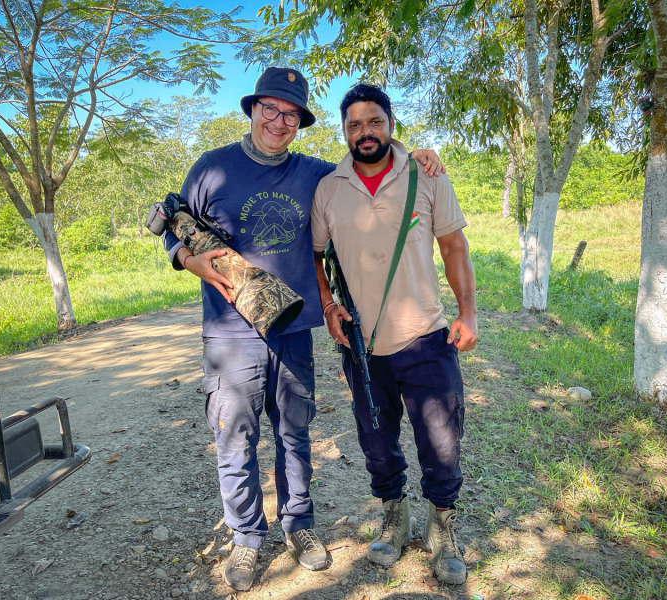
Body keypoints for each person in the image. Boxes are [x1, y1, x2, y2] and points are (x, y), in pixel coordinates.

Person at [162, 68, 445, 592]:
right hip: (229, 334)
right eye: (269, 108)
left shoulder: (313, 173)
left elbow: (369, 153)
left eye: (290, 113)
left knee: (295, 433)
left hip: (293, 330)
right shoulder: (211, 168)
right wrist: (185, 258)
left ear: (301, 123)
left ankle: (299, 526)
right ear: (251, 110)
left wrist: (415, 151)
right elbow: (174, 225)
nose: (278, 121)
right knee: (235, 438)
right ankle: (247, 538)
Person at [311, 83, 478, 585]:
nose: (365, 132)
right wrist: (327, 304)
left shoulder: (426, 177)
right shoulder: (329, 188)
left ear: (390, 124)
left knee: (442, 443)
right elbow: (315, 256)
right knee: (377, 443)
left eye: (374, 121)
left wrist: (468, 312)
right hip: (363, 347)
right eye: (355, 124)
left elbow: (454, 249)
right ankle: (393, 517)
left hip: (426, 337)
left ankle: (443, 529)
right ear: (345, 131)